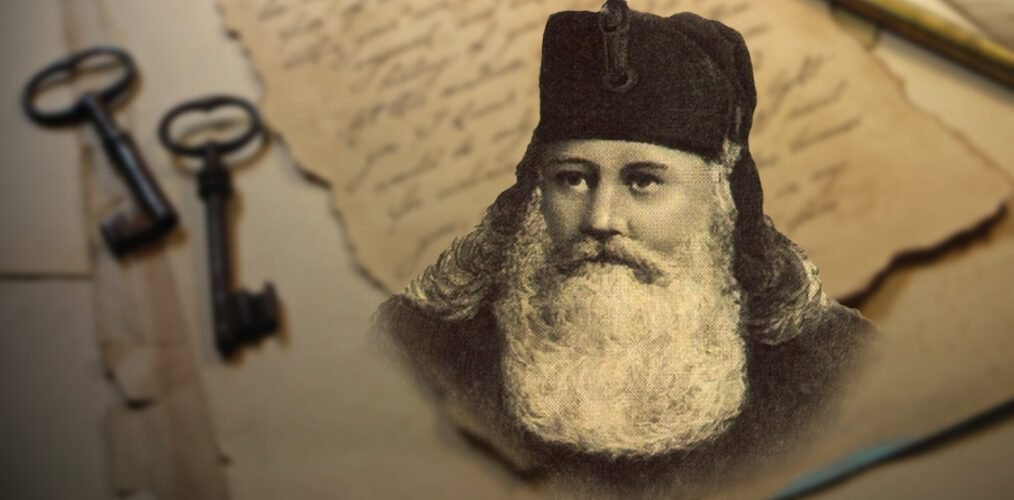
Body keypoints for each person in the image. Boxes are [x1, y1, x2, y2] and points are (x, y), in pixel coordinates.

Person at [373, 0, 874, 493]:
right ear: (536, 193)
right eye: (572, 179)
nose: (601, 219)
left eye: (643, 182)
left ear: (718, 196)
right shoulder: (415, 347)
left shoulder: (843, 365)